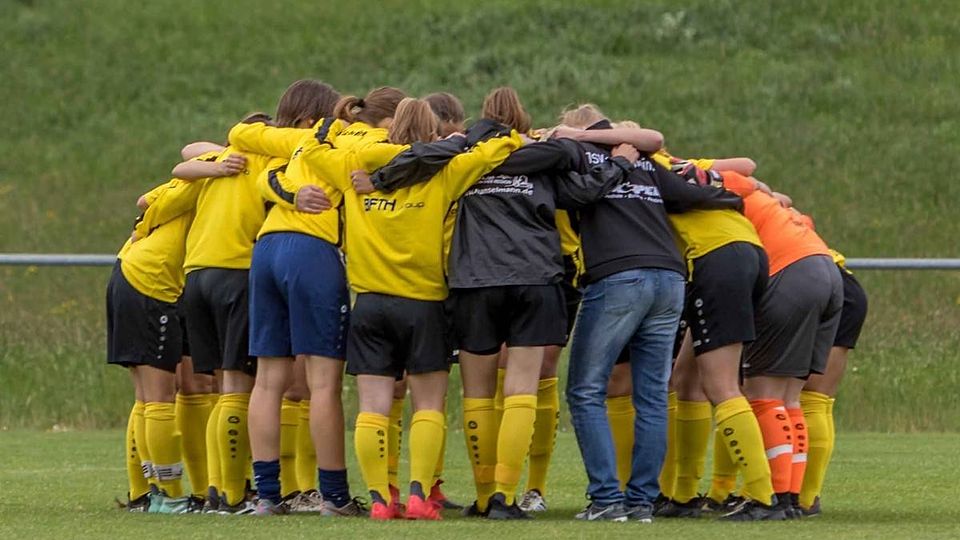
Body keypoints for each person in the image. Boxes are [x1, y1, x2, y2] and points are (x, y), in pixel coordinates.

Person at [367, 88, 646, 519]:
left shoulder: (462, 157)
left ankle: (482, 497)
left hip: (474, 282)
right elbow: (585, 191)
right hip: (535, 280)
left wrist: (378, 180)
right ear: (522, 122)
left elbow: (414, 163)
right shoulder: (544, 158)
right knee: (521, 389)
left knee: (478, 393)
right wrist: (621, 164)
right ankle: (506, 495)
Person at [554, 105, 745, 523]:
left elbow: (572, 195)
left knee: (586, 390)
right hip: (670, 279)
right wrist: (733, 197)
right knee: (653, 395)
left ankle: (607, 498)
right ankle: (642, 500)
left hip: (619, 277)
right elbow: (689, 193)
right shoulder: (644, 161)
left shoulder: (575, 154)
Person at [717, 172, 844, 518]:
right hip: (826, 269)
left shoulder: (715, 185)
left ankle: (771, 497)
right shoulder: (765, 201)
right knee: (789, 397)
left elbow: (738, 177)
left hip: (791, 270)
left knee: (763, 394)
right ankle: (790, 498)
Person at [176, 113, 274, 514]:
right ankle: (233, 495)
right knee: (236, 388)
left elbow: (186, 153)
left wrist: (223, 156)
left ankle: (216, 489)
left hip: (197, 276)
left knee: (220, 388)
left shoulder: (219, 161)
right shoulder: (269, 162)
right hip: (236, 273)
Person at [108, 166, 211, 513]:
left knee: (152, 396)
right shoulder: (211, 177)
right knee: (159, 397)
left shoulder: (202, 177)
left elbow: (145, 200)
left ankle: (149, 493)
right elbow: (186, 159)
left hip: (143, 276)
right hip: (148, 282)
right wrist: (219, 164)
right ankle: (166, 496)